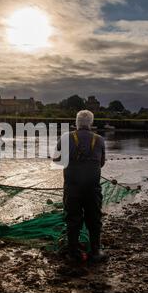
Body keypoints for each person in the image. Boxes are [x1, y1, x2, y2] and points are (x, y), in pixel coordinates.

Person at [54, 110, 107, 263]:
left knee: (72, 218)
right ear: (91, 123)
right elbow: (101, 163)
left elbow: (56, 160)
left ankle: (73, 253)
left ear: (76, 123)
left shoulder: (65, 138)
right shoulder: (100, 139)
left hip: (72, 187)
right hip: (92, 187)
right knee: (94, 218)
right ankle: (96, 251)